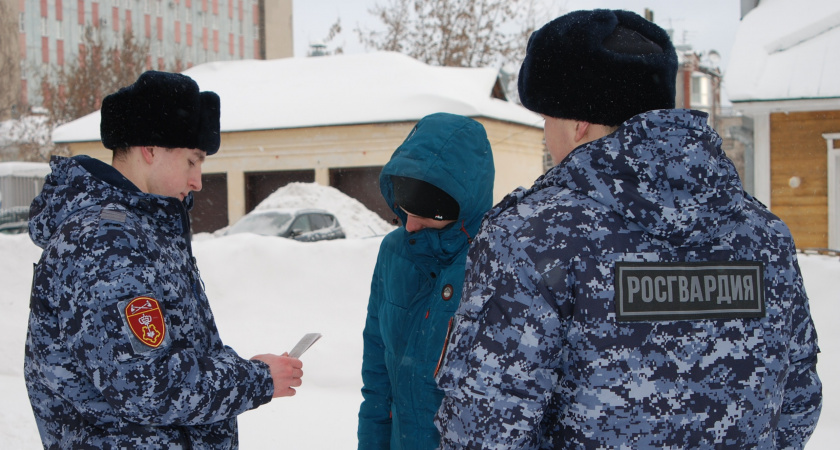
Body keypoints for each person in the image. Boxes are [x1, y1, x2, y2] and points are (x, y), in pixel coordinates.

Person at [435, 9, 822, 449]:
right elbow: (797, 405)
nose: (546, 135)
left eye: (546, 119)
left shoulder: (531, 237)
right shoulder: (764, 235)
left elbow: (486, 429)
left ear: (577, 122)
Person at [24, 70, 303, 449]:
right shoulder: (106, 243)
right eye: (192, 161)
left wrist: (245, 372)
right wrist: (255, 378)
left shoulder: (143, 230)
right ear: (150, 150)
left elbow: (177, 353)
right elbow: (149, 386)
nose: (198, 181)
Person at [357, 112, 495, 449]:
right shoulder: (395, 252)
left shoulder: (496, 262)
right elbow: (377, 377)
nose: (409, 226)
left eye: (423, 215)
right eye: (405, 210)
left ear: (458, 207)